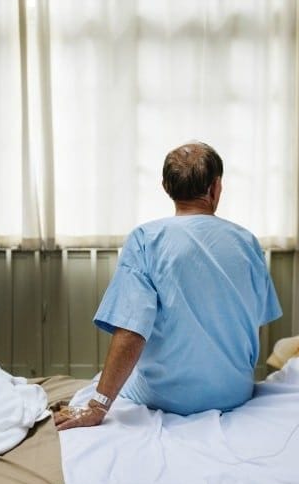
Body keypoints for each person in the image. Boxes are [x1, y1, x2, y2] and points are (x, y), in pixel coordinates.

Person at [55, 141, 282, 431]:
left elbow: (131, 330)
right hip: (235, 393)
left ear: (166, 187)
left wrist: (98, 405)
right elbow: (254, 319)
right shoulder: (247, 242)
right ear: (216, 187)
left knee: (109, 381)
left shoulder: (146, 239)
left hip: (167, 398)